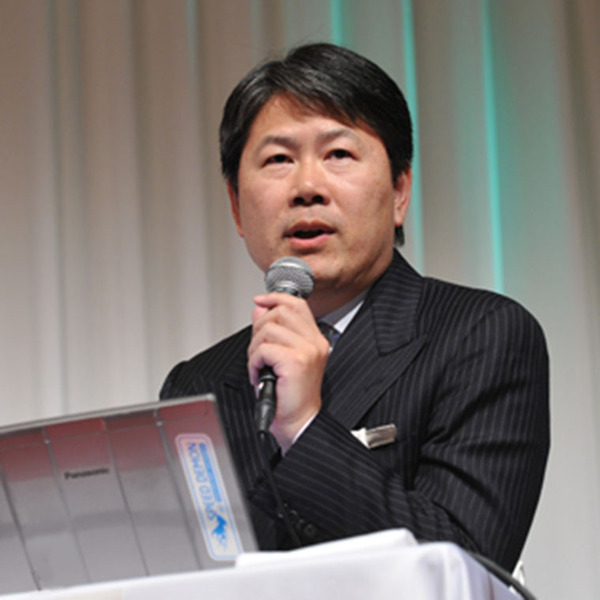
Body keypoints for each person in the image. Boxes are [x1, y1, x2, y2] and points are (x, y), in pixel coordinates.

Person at [160, 42, 549, 572]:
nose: (307, 187)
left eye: (338, 154)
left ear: (399, 191)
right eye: (278, 160)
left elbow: (465, 566)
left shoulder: (482, 336)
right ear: (235, 206)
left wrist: (303, 426)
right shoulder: (196, 386)